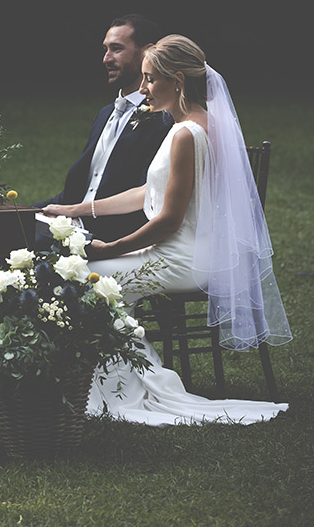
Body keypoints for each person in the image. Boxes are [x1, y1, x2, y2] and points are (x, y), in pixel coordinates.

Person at [43, 34, 292, 424]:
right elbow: (148, 192)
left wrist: (111, 249)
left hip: (183, 257)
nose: (142, 89)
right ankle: (115, 381)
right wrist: (79, 207)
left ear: (176, 80)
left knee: (85, 280)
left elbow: (169, 220)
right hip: (190, 250)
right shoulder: (197, 124)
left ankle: (126, 388)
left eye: (149, 79)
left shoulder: (184, 135)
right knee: (90, 280)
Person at [36, 15, 173, 246]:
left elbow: (150, 198)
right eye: (105, 49)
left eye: (117, 49)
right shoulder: (105, 114)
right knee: (7, 229)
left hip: (113, 237)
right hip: (74, 223)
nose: (106, 59)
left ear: (147, 52)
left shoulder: (164, 118)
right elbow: (79, 190)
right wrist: (20, 212)